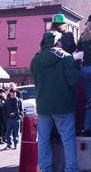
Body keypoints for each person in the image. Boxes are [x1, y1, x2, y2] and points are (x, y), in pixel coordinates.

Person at [31, 30, 80, 172]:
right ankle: (71, 169)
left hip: (43, 107)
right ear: (58, 42)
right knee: (68, 140)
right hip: (63, 106)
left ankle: (45, 169)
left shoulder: (36, 59)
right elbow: (74, 80)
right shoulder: (66, 58)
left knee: (43, 140)